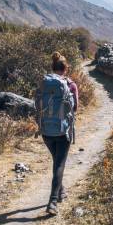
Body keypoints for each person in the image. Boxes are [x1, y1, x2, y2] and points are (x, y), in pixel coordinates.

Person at [35, 52, 79, 216]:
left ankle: (61, 191)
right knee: (59, 165)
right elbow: (74, 109)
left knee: (56, 161)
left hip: (46, 130)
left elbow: (37, 104)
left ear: (52, 67)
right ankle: (52, 202)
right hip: (63, 131)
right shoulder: (70, 85)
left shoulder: (44, 83)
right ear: (66, 69)